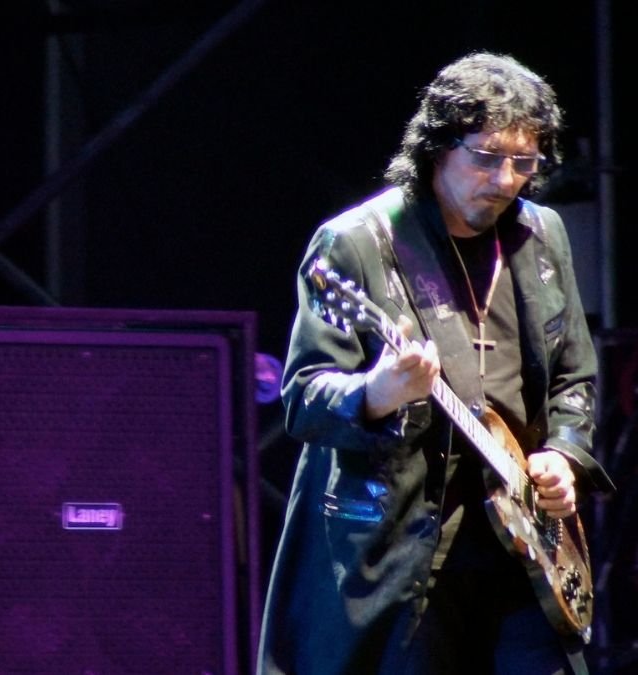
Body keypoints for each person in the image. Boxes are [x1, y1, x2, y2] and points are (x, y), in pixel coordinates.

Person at [258, 53, 614, 674]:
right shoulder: (359, 243)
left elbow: (573, 376)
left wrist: (561, 451)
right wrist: (378, 391)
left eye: (523, 162)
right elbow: (303, 397)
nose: (505, 180)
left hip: (524, 554)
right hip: (404, 550)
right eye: (486, 157)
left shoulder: (543, 235)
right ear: (436, 148)